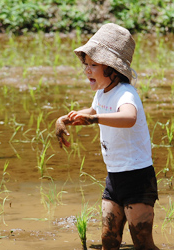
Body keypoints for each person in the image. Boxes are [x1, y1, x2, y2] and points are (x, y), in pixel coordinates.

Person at [55, 23, 159, 250]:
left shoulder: (126, 94)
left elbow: (128, 117)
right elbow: (92, 112)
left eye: (94, 65)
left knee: (143, 244)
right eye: (86, 64)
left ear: (113, 70)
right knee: (108, 240)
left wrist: (95, 120)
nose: (87, 70)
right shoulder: (103, 92)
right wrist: (64, 119)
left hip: (137, 177)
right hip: (115, 176)